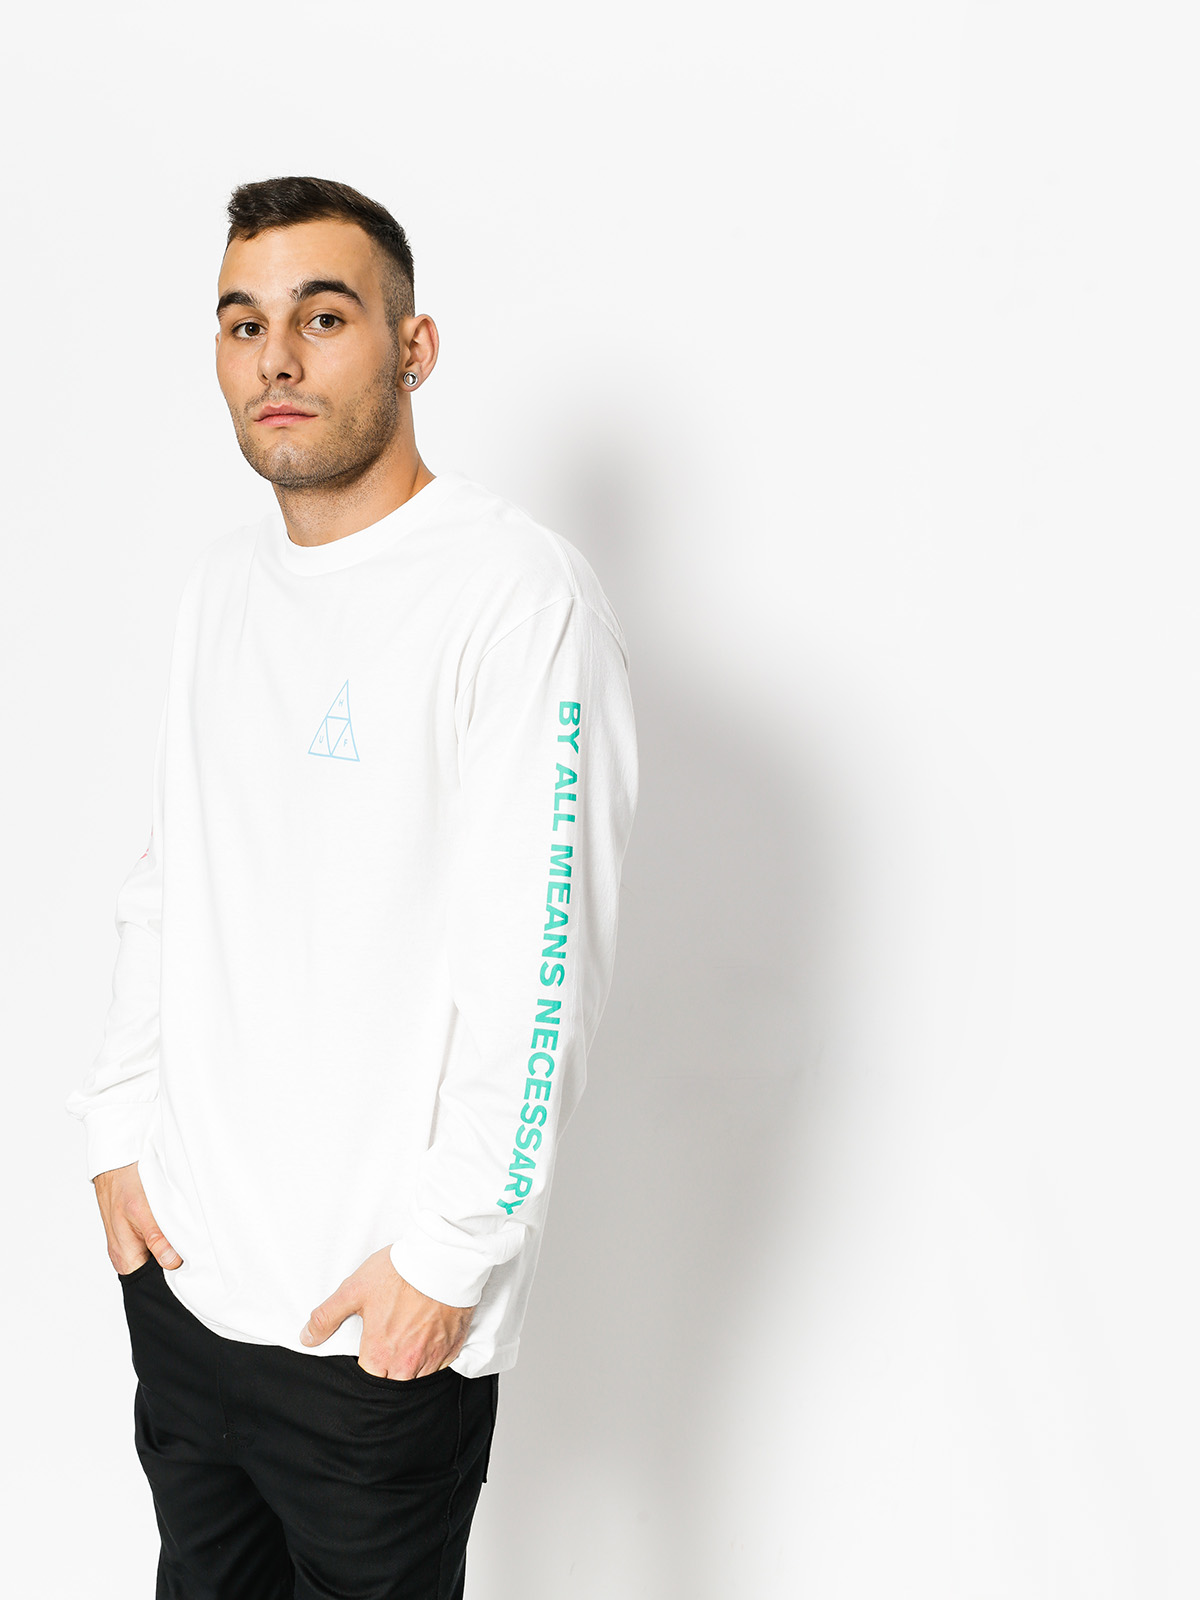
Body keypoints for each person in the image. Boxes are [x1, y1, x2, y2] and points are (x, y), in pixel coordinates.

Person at [65, 174, 639, 1599]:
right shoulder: (222, 587)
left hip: (371, 1328)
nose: (277, 357)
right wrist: (119, 1124)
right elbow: (172, 876)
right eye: (243, 322)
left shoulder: (516, 595)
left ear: (413, 347)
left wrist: (449, 1257)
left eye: (323, 318)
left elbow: (543, 963)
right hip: (188, 1288)